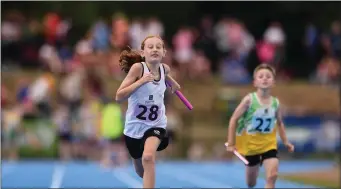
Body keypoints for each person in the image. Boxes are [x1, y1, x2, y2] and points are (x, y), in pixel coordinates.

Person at [115, 35, 180, 188]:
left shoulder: (165, 69)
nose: (155, 49)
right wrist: (141, 81)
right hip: (134, 128)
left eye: (159, 47)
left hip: (156, 125)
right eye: (150, 47)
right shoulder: (138, 69)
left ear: (164, 52)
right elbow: (119, 96)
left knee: (148, 157)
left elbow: (165, 74)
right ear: (143, 53)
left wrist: (174, 83)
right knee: (140, 170)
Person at [225, 64, 294, 188]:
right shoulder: (249, 100)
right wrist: (231, 143)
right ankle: (251, 172)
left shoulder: (275, 103)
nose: (265, 79)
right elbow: (234, 119)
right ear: (255, 82)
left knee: (272, 176)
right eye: (261, 76)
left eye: (268, 76)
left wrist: (286, 141)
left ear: (273, 82)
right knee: (251, 183)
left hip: (269, 145)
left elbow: (280, 123)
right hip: (251, 147)